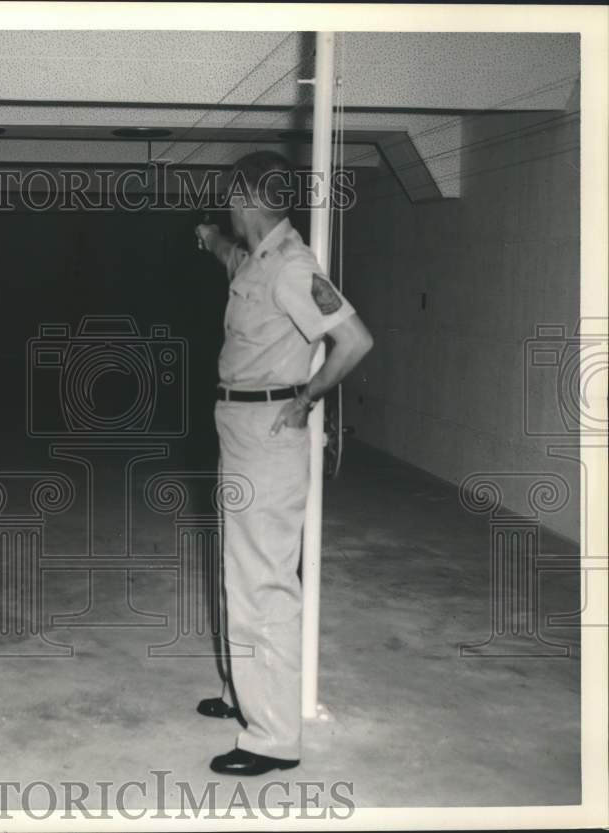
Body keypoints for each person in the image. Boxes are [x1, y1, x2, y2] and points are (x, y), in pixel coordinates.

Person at [194, 150, 373, 776]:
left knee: (264, 578)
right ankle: (243, 695)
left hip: (269, 430)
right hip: (239, 425)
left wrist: (307, 399)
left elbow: (353, 341)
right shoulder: (259, 258)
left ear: (245, 192)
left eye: (227, 197)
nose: (224, 206)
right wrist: (212, 239)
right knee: (239, 566)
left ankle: (272, 738)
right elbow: (232, 258)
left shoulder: (293, 266)